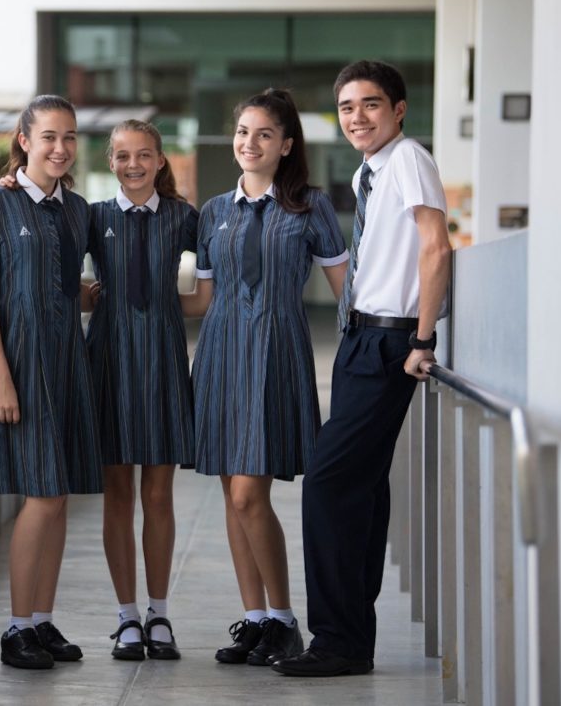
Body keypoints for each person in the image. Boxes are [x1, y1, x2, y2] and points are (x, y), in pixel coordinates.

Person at [272, 61, 451, 677]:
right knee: (363, 494)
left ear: (398, 109)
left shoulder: (408, 160)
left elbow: (435, 245)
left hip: (390, 342)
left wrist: (423, 338)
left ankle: (338, 641)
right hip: (359, 338)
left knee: (328, 485)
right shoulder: (369, 171)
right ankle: (352, 637)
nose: (357, 117)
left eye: (370, 105)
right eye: (347, 107)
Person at [182, 89, 348, 668]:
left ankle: (283, 619)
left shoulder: (310, 207)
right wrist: (153, 291)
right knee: (233, 492)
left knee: (252, 492)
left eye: (263, 135)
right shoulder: (212, 212)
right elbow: (201, 299)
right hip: (223, 351)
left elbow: (343, 291)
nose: (248, 144)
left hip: (276, 350)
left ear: (286, 146)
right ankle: (254, 619)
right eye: (242, 132)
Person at [0, 95, 102, 670]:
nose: (60, 148)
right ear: (24, 140)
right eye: (48, 137)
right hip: (19, 362)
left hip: (69, 359)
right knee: (41, 494)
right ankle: (16, 627)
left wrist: (91, 296)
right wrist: (0, 376)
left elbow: (71, 286)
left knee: (58, 494)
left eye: (69, 137)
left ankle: (42, 623)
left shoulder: (79, 210)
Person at [85, 120, 199, 662]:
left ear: (159, 161)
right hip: (107, 363)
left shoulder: (184, 218)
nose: (134, 164)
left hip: (161, 363)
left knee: (158, 495)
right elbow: (70, 283)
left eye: (144, 155)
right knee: (117, 496)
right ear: (111, 161)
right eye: (123, 155)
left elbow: (205, 290)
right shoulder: (92, 217)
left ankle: (159, 613)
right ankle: (126, 617)